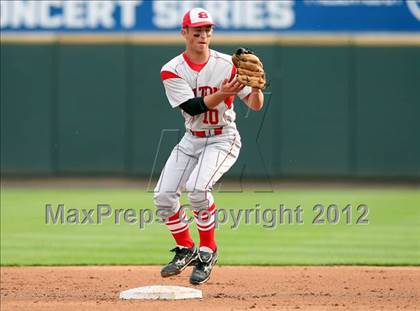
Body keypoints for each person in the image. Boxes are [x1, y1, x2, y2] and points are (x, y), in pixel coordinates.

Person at [155, 7, 264, 285]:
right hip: (192, 138)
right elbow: (192, 108)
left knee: (198, 189)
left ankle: (207, 251)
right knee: (164, 196)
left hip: (222, 137)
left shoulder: (228, 64)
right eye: (197, 30)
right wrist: (222, 93)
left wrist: (256, 88)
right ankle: (185, 248)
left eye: (207, 30)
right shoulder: (171, 70)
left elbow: (254, 105)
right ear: (185, 33)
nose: (203, 35)